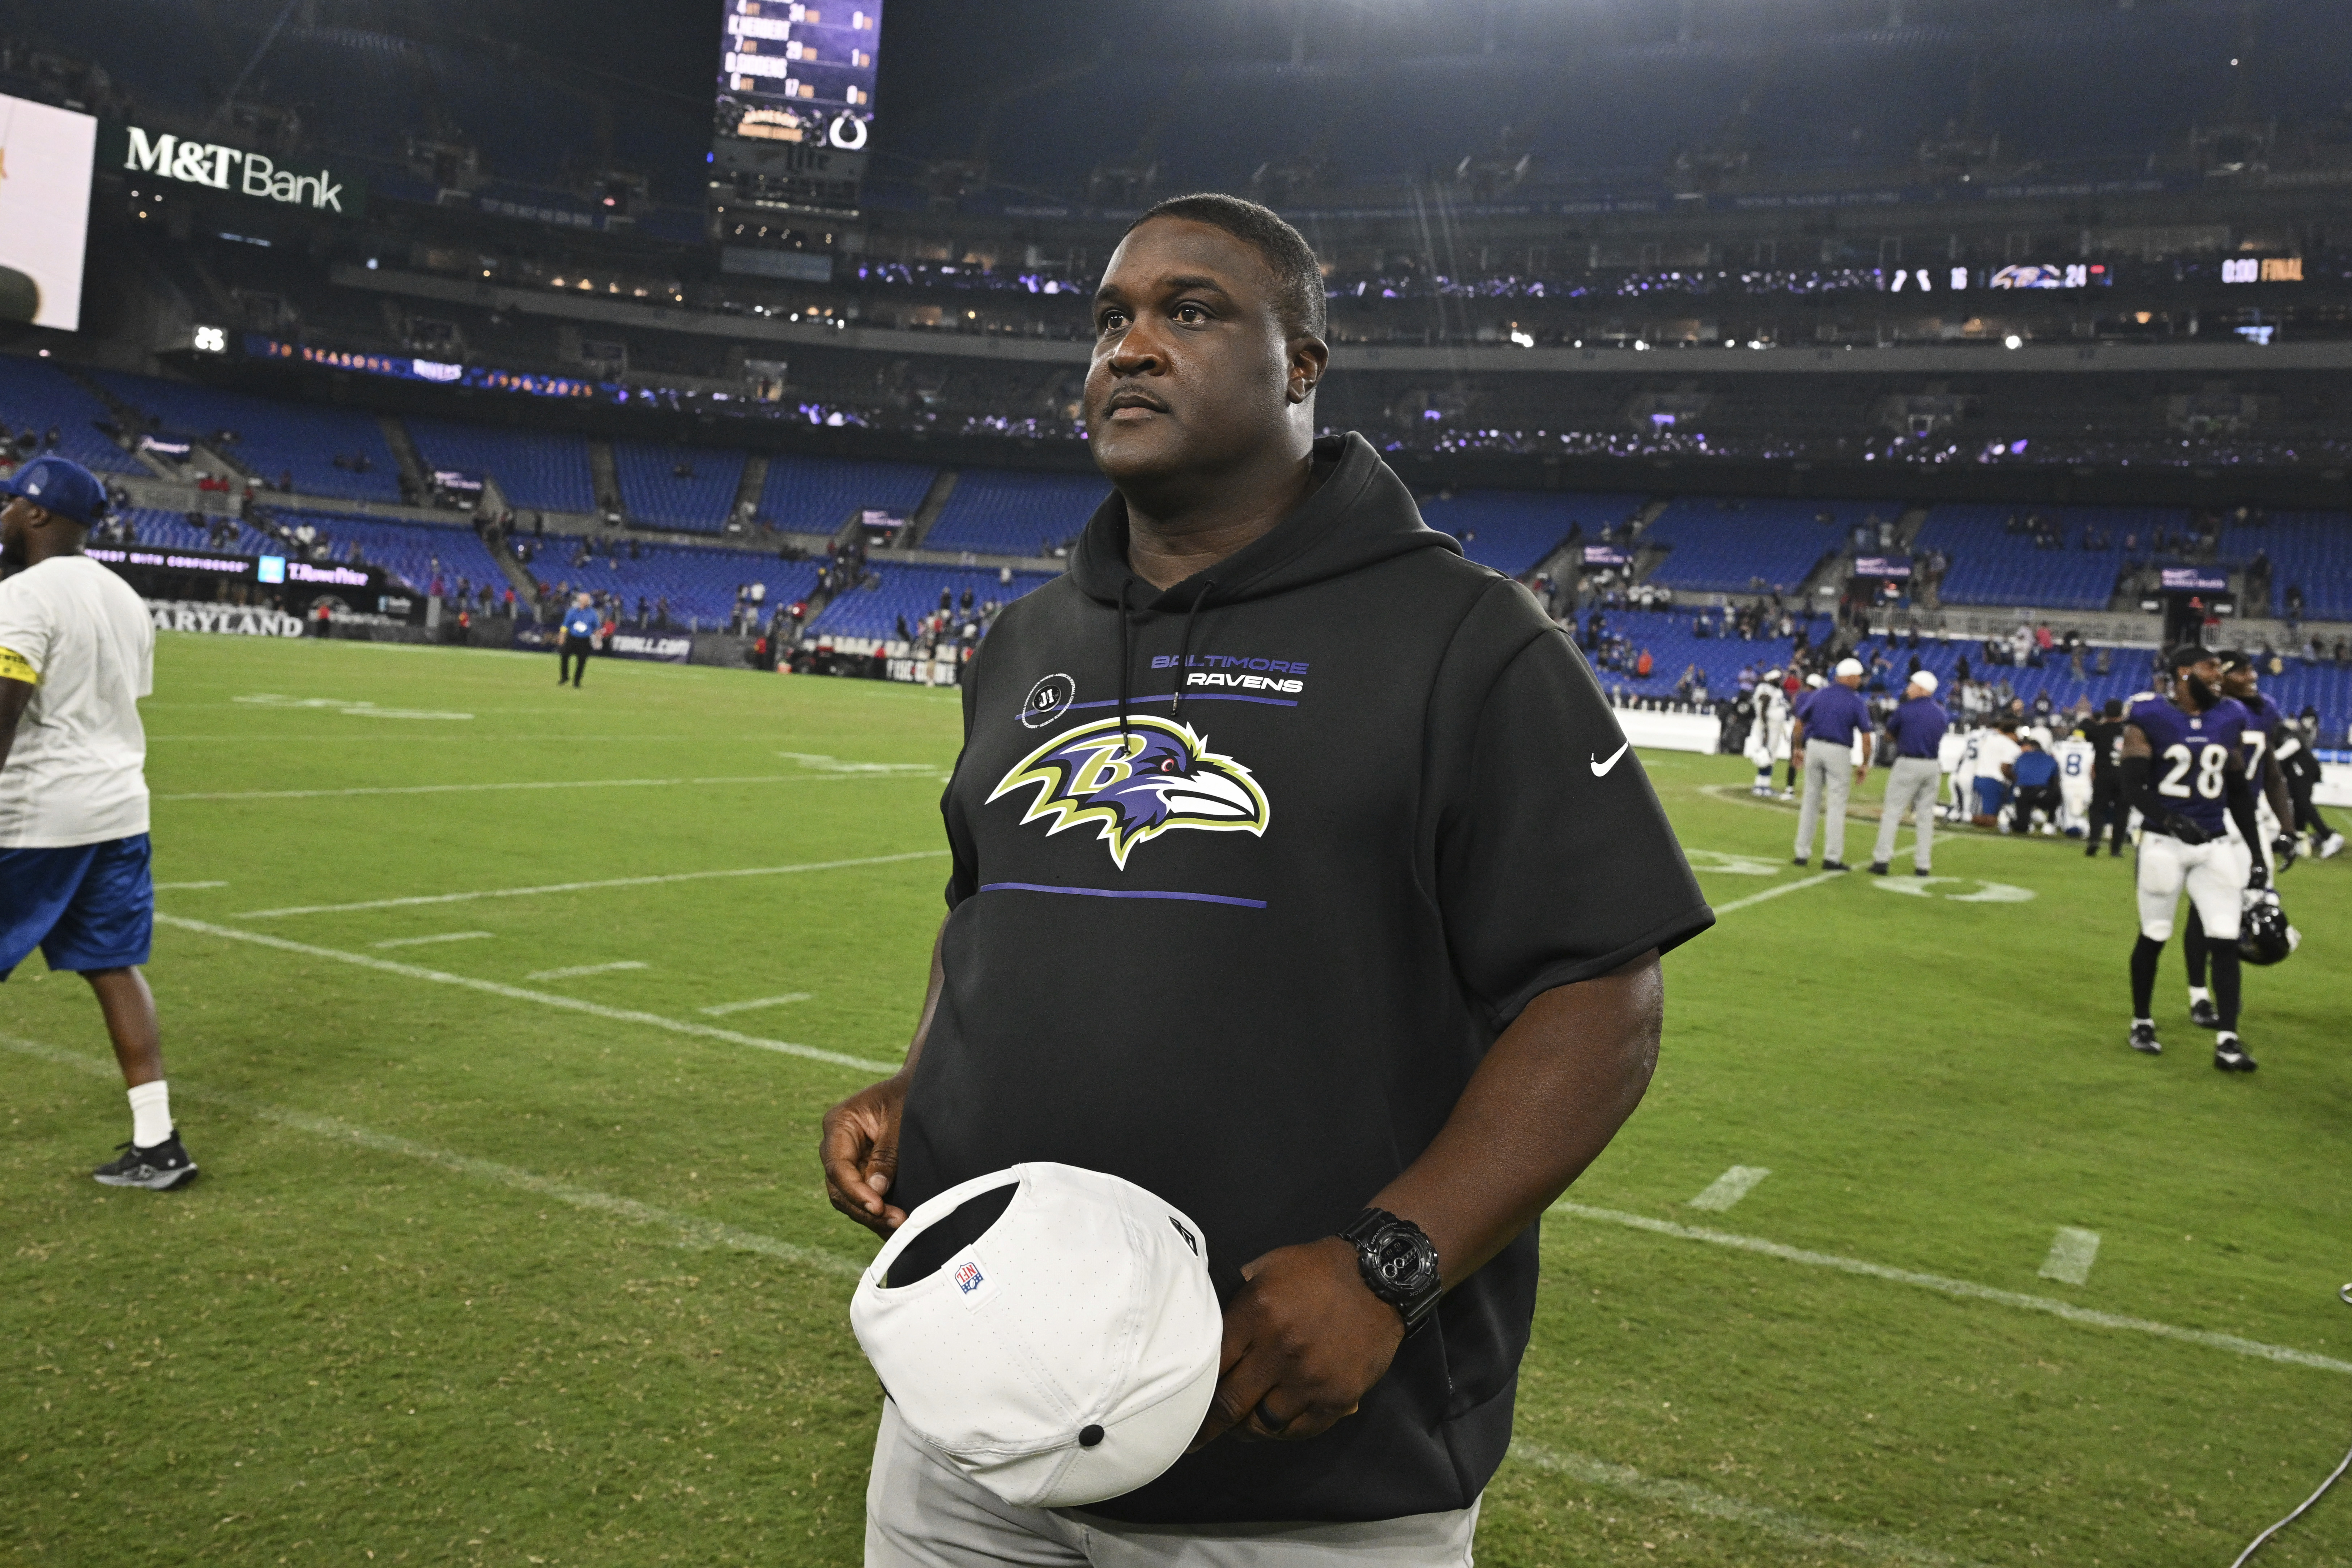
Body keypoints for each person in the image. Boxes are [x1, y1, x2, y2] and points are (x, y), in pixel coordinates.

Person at [818, 192, 1714, 1565]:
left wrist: (1388, 1263)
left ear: (1301, 365)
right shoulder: (1022, 640)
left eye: (1188, 311)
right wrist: (917, 1082)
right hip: (971, 1432)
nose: (1130, 345)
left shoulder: (1466, 641)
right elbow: (982, 906)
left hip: (1306, 1483)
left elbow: (1601, 994)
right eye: (1111, 318)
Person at [0, 457, 196, 1188]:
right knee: (113, 965)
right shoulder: (124, 596)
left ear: (40, 514)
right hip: (118, 809)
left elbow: (6, 703)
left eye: (11, 504)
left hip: (35, 815)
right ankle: (159, 1143)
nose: (4, 516)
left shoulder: (23, 595)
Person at [2121, 647, 2267, 1071]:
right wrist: (2169, 819)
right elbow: (2132, 785)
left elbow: (2238, 790)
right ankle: (2142, 1020)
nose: (2218, 675)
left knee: (2223, 938)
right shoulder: (2149, 716)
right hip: (2164, 843)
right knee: (2155, 934)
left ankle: (2228, 1039)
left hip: (2214, 843)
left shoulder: (2230, 716)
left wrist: (2256, 854)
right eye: (2210, 667)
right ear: (2185, 673)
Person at [2180, 651, 2301, 1030]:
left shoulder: (2264, 711)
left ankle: (2225, 991)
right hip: (2213, 818)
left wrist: (2288, 828)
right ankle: (2200, 995)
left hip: (2250, 820)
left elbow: (2273, 773)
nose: (2252, 676)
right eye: (2242, 671)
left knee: (2256, 912)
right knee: (2205, 910)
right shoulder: (2212, 711)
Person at [1789, 656, 1870, 870]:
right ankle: (1832, 857)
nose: (1860, 681)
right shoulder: (1855, 701)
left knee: (1810, 801)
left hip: (1814, 746)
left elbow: (1799, 723)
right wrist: (1865, 763)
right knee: (1836, 805)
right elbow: (1866, 736)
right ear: (1850, 677)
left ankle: (1801, 853)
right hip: (1839, 750)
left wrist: (1798, 748)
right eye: (1858, 677)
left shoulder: (1819, 695)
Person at [1869, 669, 1946, 875]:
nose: (1908, 689)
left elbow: (1889, 735)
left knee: (1893, 812)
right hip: (1932, 765)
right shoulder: (1941, 712)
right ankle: (1923, 865)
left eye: (1912, 685)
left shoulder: (1905, 710)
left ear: (1921, 688)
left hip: (1908, 763)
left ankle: (1882, 861)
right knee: (1925, 817)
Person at [2081, 699, 2130, 857]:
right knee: (2122, 812)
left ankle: (2095, 840)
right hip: (2124, 775)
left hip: (2103, 775)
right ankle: (2116, 849)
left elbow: (2081, 730)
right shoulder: (2129, 731)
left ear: (2106, 712)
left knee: (2097, 810)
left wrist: (2094, 719)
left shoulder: (2099, 730)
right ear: (2122, 712)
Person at [1743, 667, 1790, 798]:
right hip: (1768, 727)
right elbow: (1763, 707)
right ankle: (1760, 785)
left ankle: (1764, 785)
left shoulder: (1776, 691)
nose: (1780, 681)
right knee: (1766, 755)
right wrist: (1765, 728)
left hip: (1775, 727)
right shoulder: (1766, 689)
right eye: (1778, 679)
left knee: (1771, 756)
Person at [2006, 735, 2062, 834]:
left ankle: (2010, 818)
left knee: (2022, 828)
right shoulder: (2050, 759)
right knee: (2058, 793)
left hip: (2022, 793)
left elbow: (2015, 774)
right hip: (2041, 793)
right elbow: (2055, 780)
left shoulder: (2022, 757)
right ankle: (2050, 823)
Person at [557, 591, 597, 687]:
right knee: (565, 656)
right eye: (584, 600)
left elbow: (596, 627)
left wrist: (597, 640)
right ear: (580, 601)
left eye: (587, 601)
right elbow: (565, 626)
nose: (586, 602)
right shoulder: (572, 612)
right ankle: (565, 676)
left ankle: (577, 682)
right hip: (572, 639)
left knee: (582, 661)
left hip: (585, 641)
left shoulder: (593, 613)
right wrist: (562, 637)